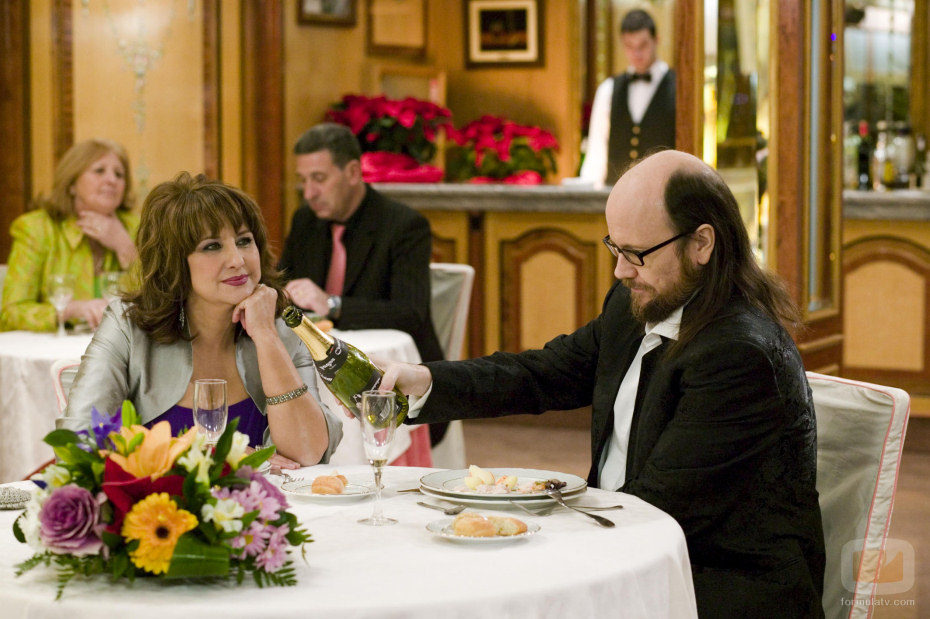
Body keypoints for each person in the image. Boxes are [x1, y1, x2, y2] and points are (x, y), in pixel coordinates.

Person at [381, 151, 826, 617]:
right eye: (616, 248)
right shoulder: (639, 299)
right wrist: (427, 380)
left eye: (636, 254)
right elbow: (547, 372)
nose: (620, 270)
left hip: (715, 586)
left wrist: (516, 528)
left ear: (702, 243)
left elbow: (657, 508)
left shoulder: (739, 355)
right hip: (630, 551)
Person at [60, 173, 342, 468]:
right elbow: (77, 441)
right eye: (212, 246)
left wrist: (266, 337)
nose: (237, 259)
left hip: (264, 509)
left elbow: (308, 453)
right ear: (175, 260)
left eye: (244, 241)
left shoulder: (280, 326)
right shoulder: (128, 325)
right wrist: (210, 457)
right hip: (161, 509)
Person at [278, 122, 443, 458]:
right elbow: (283, 285)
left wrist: (332, 304)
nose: (308, 192)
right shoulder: (305, 221)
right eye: (303, 179)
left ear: (353, 172)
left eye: (319, 179)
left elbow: (410, 312)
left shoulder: (404, 225)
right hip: (314, 360)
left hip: (394, 379)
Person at [1, 138, 139, 331]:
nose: (111, 180)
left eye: (119, 174)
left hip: (120, 352)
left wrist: (124, 247)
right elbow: (10, 313)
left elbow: (164, 305)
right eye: (99, 170)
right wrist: (69, 310)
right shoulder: (37, 229)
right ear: (72, 184)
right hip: (54, 354)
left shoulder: (136, 227)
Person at [579, 9, 676, 188]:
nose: (636, 54)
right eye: (629, 46)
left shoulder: (678, 88)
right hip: (616, 192)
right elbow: (597, 148)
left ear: (657, 40)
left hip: (662, 194)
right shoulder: (608, 89)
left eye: (643, 45)